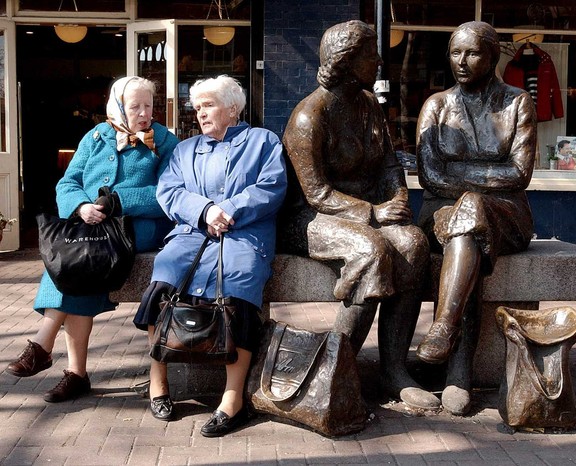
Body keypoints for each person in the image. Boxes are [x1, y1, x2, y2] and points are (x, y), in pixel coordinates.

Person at [279, 20, 439, 410]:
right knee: (370, 251)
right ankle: (335, 371)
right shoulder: (309, 117)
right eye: (370, 54)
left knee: (414, 243)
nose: (379, 60)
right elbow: (315, 193)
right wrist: (373, 213)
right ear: (347, 62)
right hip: (311, 220)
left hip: (366, 213)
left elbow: (388, 164)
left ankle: (393, 371)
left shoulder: (369, 106)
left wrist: (398, 198)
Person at [6, 76, 179, 402]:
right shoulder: (96, 136)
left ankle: (48, 349)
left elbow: (169, 194)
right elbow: (67, 183)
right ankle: (75, 374)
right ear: (117, 107)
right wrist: (81, 206)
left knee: (82, 257)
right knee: (72, 258)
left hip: (138, 226)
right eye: (135, 106)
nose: (144, 113)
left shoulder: (164, 141)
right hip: (90, 225)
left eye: (149, 105)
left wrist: (118, 201)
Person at [134, 75, 287, 434]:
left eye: (208, 105)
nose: (199, 112)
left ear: (232, 108)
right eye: (197, 106)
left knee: (240, 284)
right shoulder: (185, 150)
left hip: (243, 234)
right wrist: (205, 211)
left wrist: (229, 210)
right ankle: (158, 382)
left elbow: (271, 187)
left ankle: (232, 399)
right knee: (165, 275)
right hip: (192, 233)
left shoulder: (263, 142)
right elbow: (168, 191)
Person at [416, 21, 537, 415]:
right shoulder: (437, 105)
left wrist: (464, 180)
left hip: (508, 213)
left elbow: (520, 173)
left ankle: (445, 336)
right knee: (465, 233)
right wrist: (480, 182)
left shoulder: (517, 103)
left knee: (468, 221)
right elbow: (429, 175)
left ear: (493, 55)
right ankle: (457, 371)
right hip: (442, 211)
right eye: (455, 53)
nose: (461, 62)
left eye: (472, 53)